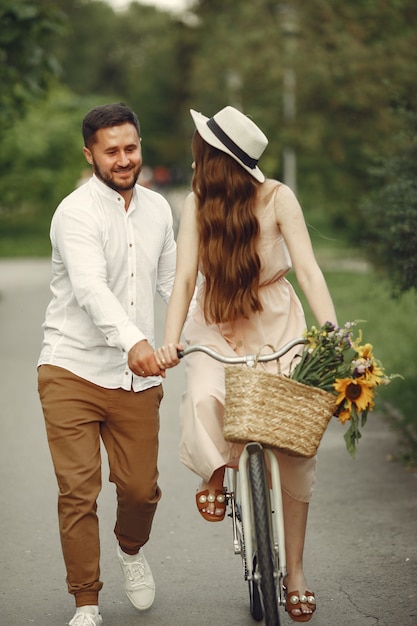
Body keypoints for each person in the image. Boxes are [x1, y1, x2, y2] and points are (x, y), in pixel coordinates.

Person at [154, 105, 338, 622]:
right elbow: (186, 279)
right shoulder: (196, 205)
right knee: (207, 393)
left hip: (276, 322)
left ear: (213, 157)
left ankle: (296, 571)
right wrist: (169, 342)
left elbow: (308, 270)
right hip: (215, 322)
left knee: (295, 443)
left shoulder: (278, 198)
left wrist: (333, 334)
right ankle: (215, 472)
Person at [37, 102, 176, 626]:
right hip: (70, 369)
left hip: (135, 381)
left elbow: (173, 282)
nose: (124, 159)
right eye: (111, 150)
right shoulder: (75, 212)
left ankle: (131, 550)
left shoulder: (160, 210)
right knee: (78, 490)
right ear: (90, 153)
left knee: (140, 490)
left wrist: (214, 322)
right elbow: (91, 288)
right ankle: (86, 604)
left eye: (131, 148)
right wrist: (136, 340)